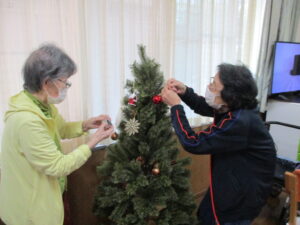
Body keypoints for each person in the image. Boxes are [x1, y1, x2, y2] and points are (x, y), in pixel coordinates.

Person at [0, 44, 114, 225]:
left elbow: (60, 129)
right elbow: (58, 166)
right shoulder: (27, 121)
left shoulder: (42, 106)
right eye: (65, 81)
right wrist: (93, 141)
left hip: (46, 197)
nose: (67, 86)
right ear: (47, 82)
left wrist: (86, 125)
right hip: (29, 212)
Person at [161, 63, 276, 225]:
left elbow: (193, 142)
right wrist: (185, 92)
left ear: (229, 95)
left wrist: (176, 107)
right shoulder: (235, 107)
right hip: (229, 181)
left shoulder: (240, 121)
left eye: (214, 86)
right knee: (205, 215)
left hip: (242, 195)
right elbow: (205, 106)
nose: (209, 87)